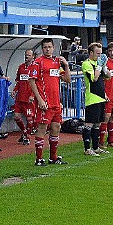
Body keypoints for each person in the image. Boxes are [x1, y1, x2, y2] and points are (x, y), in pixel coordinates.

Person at [30, 37, 71, 165]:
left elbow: (67, 79)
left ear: (53, 48)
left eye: (49, 47)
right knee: (42, 128)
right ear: (42, 49)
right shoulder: (38, 62)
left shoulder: (56, 62)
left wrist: (66, 65)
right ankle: (39, 159)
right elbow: (31, 81)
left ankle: (53, 157)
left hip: (56, 103)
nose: (47, 49)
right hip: (45, 102)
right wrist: (40, 99)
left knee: (56, 127)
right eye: (45, 47)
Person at [81, 42, 109, 156]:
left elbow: (108, 76)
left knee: (97, 124)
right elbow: (94, 78)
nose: (99, 56)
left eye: (101, 53)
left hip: (100, 98)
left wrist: (105, 67)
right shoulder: (86, 64)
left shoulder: (99, 63)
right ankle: (87, 149)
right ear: (91, 53)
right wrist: (99, 66)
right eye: (97, 53)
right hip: (92, 98)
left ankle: (96, 147)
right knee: (89, 124)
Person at [12, 49, 36, 146]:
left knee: (30, 120)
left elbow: (37, 84)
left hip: (29, 99)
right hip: (20, 98)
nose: (27, 57)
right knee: (16, 117)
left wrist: (33, 95)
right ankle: (25, 133)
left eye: (29, 55)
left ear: (33, 56)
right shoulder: (21, 67)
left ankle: (27, 136)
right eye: (26, 55)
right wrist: (14, 90)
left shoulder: (35, 68)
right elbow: (19, 81)